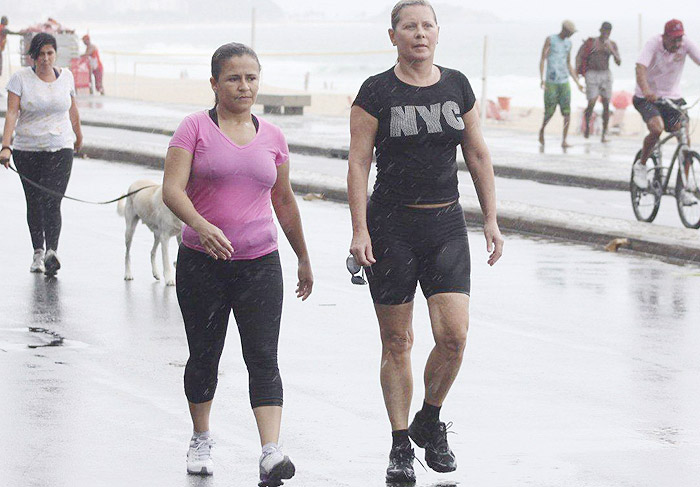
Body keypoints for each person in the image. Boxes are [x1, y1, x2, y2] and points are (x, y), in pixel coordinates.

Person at [347, 1, 504, 483]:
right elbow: (358, 163)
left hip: (446, 225)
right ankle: (399, 445)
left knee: (453, 337)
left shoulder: (457, 85)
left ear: (438, 33)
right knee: (398, 340)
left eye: (427, 26)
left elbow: (477, 154)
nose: (419, 34)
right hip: (391, 228)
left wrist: (491, 219)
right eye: (409, 27)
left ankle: (429, 420)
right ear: (392, 35)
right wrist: (360, 230)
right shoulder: (375, 92)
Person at [162, 42, 313, 486]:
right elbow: (172, 189)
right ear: (214, 83)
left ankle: (270, 452)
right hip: (201, 263)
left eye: (251, 77)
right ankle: (201, 437)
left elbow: (283, 199)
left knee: (263, 357)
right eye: (233, 77)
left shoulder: (273, 137)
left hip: (261, 263)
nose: (244, 86)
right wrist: (201, 225)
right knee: (205, 356)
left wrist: (302, 255)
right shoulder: (193, 129)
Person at [1, 33, 83, 276]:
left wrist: (79, 136)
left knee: (53, 200)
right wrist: (6, 145)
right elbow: (12, 114)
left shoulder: (66, 77)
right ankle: (38, 251)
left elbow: (73, 110)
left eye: (50, 53)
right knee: (35, 202)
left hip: (61, 147)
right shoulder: (20, 79)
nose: (46, 59)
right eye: (41, 54)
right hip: (28, 150)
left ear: (55, 54)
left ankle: (52, 252)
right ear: (32, 57)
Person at [632, 19, 700, 195]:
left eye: (680, 39)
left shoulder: (685, 44)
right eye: (674, 40)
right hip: (647, 98)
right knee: (657, 128)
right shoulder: (654, 43)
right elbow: (640, 67)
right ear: (665, 37)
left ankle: (683, 188)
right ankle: (641, 164)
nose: (678, 44)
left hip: (672, 98)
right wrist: (646, 90)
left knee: (684, 137)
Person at [538, 20, 584, 148]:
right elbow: (542, 59)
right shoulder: (550, 40)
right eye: (570, 32)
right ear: (564, 30)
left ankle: (564, 140)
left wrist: (577, 82)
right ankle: (542, 130)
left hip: (564, 81)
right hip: (551, 81)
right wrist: (541, 78)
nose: (571, 35)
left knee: (567, 112)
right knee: (549, 112)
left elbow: (568, 63)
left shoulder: (568, 44)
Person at [576, 21, 621, 142]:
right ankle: (587, 128)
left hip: (605, 74)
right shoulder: (591, 42)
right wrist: (578, 72)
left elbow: (618, 62)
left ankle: (604, 134)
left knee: (606, 103)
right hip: (592, 74)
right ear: (600, 30)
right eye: (604, 30)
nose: (606, 33)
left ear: (610, 32)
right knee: (592, 102)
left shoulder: (612, 44)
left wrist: (611, 50)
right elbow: (579, 56)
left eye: (608, 31)